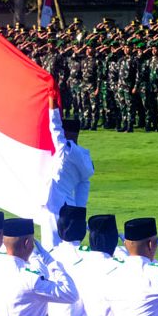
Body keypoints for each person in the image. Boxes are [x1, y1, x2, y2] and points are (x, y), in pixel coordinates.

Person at [39, 100, 94, 249]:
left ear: (66, 133)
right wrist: (79, 212)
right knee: (70, 249)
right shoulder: (85, 157)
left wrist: (52, 106)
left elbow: (54, 126)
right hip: (70, 208)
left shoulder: (64, 150)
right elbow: (84, 186)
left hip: (53, 204)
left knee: (51, 249)